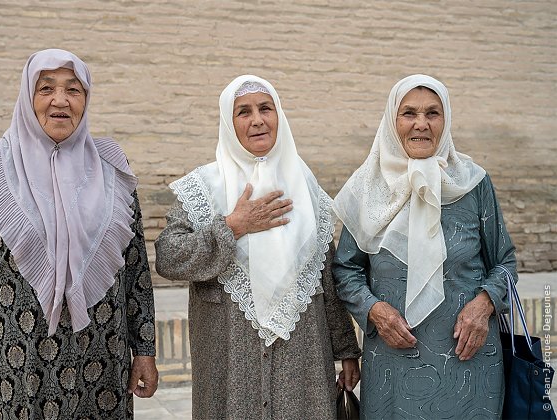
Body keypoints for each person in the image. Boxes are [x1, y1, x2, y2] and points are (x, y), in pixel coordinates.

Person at [0, 49, 158, 418]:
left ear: (86, 99)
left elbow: (134, 268)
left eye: (74, 90)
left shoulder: (111, 166)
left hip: (100, 364)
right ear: (27, 97)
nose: (60, 100)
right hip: (12, 368)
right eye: (46, 88)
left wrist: (145, 350)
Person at [155, 75, 362, 419]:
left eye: (266, 108)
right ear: (228, 122)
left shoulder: (305, 187)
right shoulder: (204, 188)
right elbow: (168, 257)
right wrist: (232, 226)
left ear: (279, 115)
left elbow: (325, 275)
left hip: (303, 361)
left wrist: (346, 350)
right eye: (243, 112)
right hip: (230, 358)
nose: (257, 120)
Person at [332, 74, 517, 419]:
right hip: (392, 358)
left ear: (445, 121)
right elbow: (346, 267)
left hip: (469, 358)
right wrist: (374, 310)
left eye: (433, 113)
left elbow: (505, 262)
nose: (421, 124)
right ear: (392, 120)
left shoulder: (473, 183)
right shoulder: (368, 188)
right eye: (409, 114)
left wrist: (484, 304)